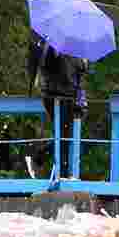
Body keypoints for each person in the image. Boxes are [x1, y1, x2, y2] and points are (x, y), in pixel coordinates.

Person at [28, 34, 88, 178]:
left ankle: (40, 157)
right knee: (64, 134)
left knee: (67, 135)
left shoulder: (78, 50)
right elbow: (47, 63)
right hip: (54, 95)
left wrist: (81, 100)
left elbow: (79, 78)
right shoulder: (53, 44)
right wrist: (54, 50)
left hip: (69, 96)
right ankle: (60, 171)